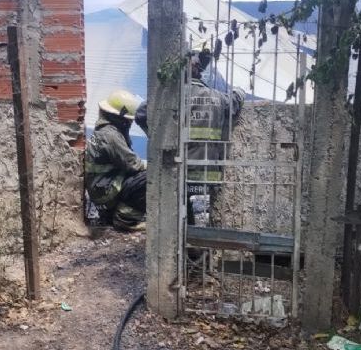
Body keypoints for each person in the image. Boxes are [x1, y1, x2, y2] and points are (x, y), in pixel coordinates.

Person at [135, 49, 243, 225]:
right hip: (207, 174)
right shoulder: (216, 97)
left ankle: (181, 246)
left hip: (177, 169)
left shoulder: (170, 98)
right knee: (203, 219)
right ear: (200, 72)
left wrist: (158, 138)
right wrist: (239, 92)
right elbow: (233, 102)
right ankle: (200, 248)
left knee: (177, 218)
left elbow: (141, 113)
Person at [85, 90, 147, 232]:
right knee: (149, 177)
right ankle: (125, 219)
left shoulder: (105, 130)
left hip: (103, 189)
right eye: (129, 119)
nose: (130, 123)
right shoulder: (111, 135)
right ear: (120, 117)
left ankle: (118, 213)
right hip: (106, 192)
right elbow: (133, 164)